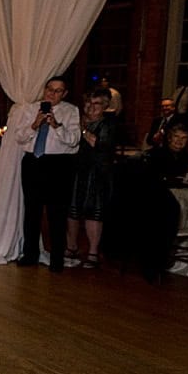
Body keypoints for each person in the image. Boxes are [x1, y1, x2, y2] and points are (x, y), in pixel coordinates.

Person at [16, 77, 80, 272]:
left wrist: (56, 125)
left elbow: (74, 140)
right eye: (50, 89)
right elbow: (19, 136)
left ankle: (57, 259)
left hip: (58, 164)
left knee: (57, 212)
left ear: (65, 94)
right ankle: (30, 254)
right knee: (32, 210)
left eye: (58, 91)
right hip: (33, 162)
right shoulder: (30, 109)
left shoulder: (71, 111)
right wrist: (35, 124)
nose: (52, 94)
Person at [67, 88, 120, 268]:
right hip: (77, 169)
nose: (91, 107)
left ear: (105, 106)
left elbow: (101, 144)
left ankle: (93, 252)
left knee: (93, 212)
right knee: (72, 209)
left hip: (97, 172)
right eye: (88, 102)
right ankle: (71, 247)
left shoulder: (109, 124)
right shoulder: (77, 120)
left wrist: (82, 130)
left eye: (96, 103)